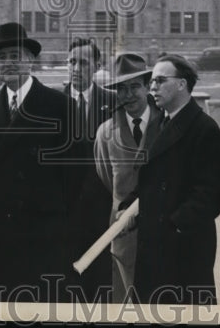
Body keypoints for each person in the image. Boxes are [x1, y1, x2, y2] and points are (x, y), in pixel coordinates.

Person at [0, 22, 77, 301]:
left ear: (31, 61)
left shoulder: (59, 105)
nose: (8, 63)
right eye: (1, 58)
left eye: (16, 56)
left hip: (42, 232)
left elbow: (75, 174)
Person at [125, 54, 220, 304]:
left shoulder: (204, 128)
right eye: (151, 82)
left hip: (183, 248)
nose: (152, 88)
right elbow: (149, 180)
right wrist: (128, 207)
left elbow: (213, 194)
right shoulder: (158, 123)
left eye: (160, 81)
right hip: (154, 244)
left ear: (182, 84)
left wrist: (173, 225)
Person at [93, 52, 161, 302]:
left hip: (162, 234)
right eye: (121, 89)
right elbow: (106, 179)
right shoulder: (106, 133)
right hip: (124, 237)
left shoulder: (167, 126)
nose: (128, 95)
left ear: (147, 87)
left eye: (134, 87)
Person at [63, 38, 116, 301]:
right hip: (64, 208)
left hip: (102, 207)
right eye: (71, 62)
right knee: (66, 281)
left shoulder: (113, 102)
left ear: (97, 65)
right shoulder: (51, 102)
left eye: (83, 63)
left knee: (101, 280)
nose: (76, 68)